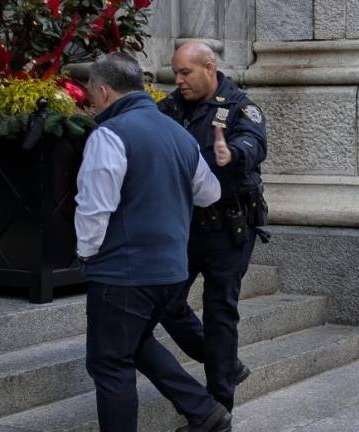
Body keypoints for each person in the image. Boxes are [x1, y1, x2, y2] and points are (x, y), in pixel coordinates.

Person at [75, 52, 230, 432]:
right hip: (170, 272)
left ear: (106, 92)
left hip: (123, 273)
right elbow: (209, 193)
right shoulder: (177, 132)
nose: (90, 102)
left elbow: (95, 209)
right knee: (138, 342)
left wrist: (86, 255)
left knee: (109, 363)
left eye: (92, 94)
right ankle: (205, 411)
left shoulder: (109, 134)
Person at [158, 41, 268, 414]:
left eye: (185, 72)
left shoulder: (239, 106)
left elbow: (254, 142)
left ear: (209, 67)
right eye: (175, 72)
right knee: (167, 302)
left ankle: (220, 407)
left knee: (220, 311)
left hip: (229, 228)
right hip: (185, 227)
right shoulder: (171, 106)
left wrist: (232, 153)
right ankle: (224, 361)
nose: (179, 80)